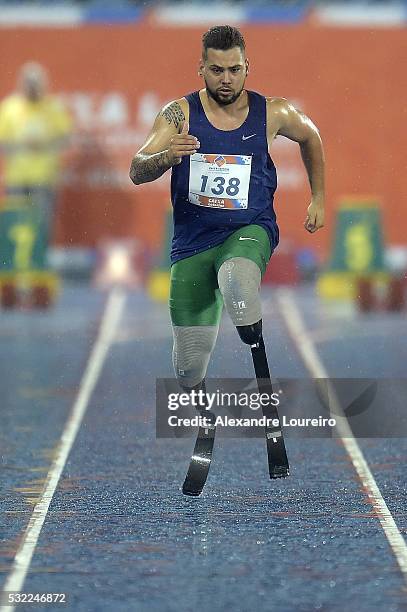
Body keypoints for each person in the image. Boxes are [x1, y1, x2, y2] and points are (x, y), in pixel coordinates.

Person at [0, 61, 72, 243]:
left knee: (42, 224)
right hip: (17, 179)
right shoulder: (10, 108)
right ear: (21, 84)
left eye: (35, 84)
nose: (32, 88)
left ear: (43, 84)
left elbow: (65, 138)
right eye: (28, 84)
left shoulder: (52, 108)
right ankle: (14, 266)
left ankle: (41, 264)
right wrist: (21, 144)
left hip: (43, 178)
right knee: (15, 226)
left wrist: (44, 143)